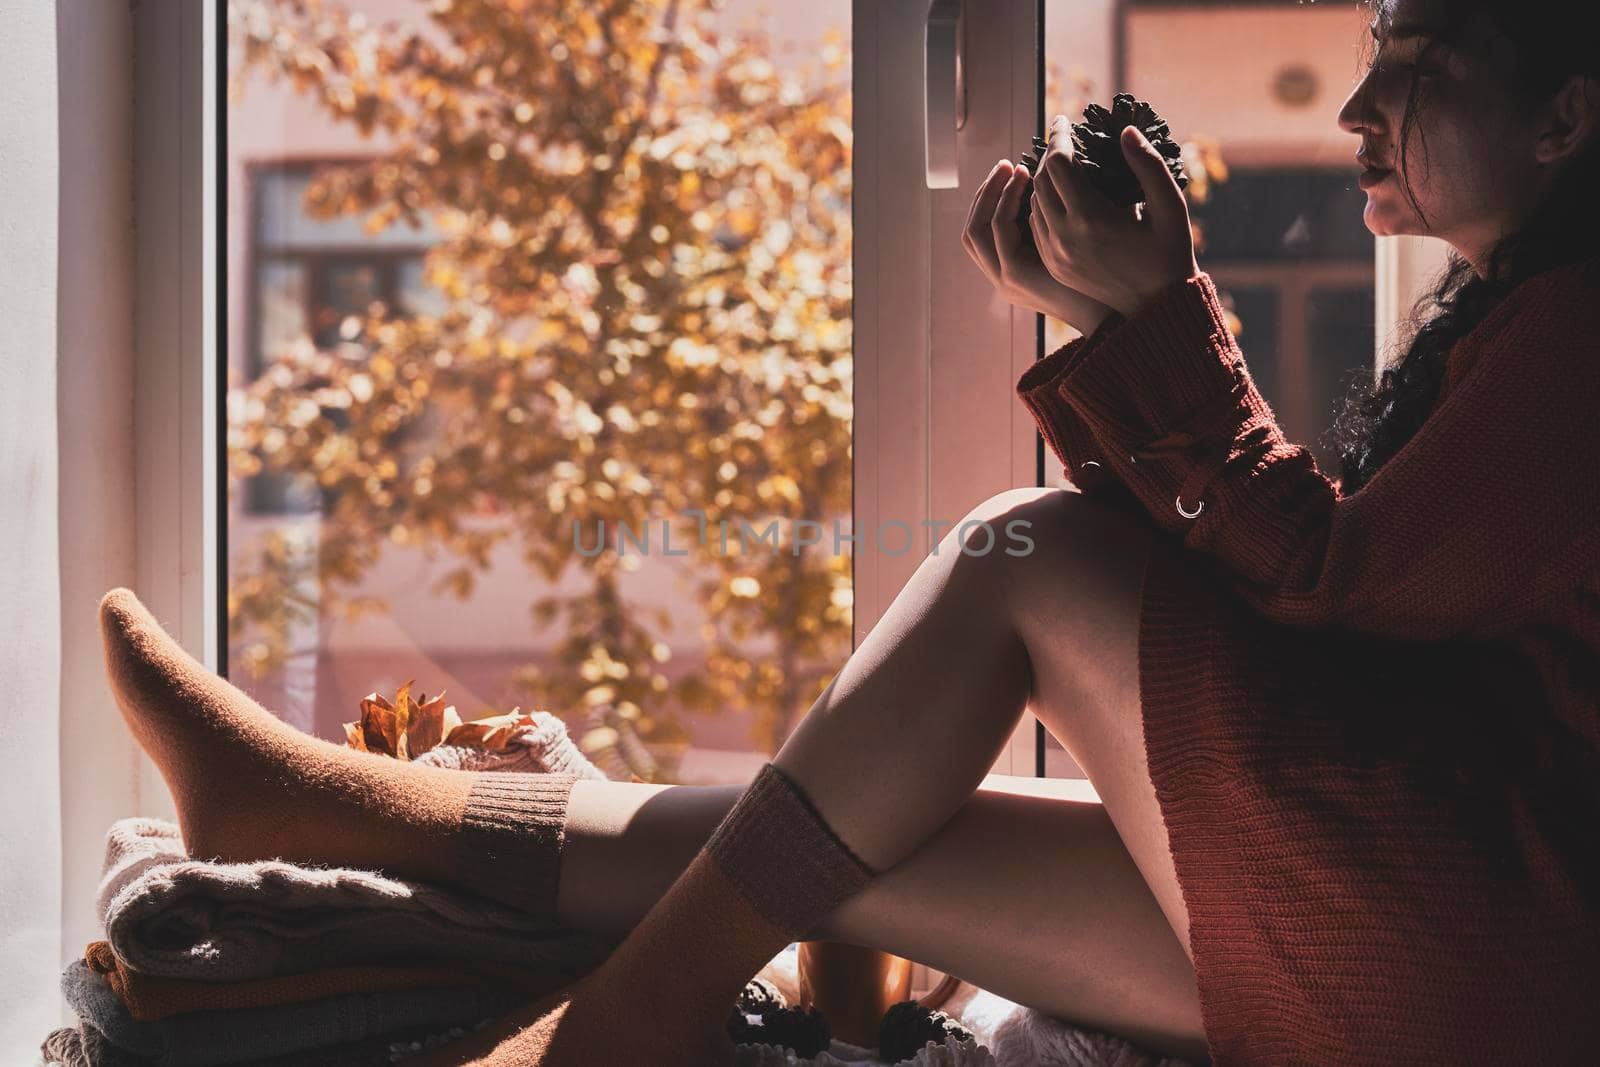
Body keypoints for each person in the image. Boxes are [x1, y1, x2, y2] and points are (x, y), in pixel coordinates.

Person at [98, 0, 1599, 1062]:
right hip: (1478, 952)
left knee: (1039, 557)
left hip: (1482, 956)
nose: (1360, 107)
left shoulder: (1575, 338)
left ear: (1567, 113)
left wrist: (1159, 322)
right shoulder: (1522, 323)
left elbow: (1324, 596)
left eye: (1424, 58)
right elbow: (1345, 604)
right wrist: (1115, 321)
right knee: (867, 844)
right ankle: (325, 811)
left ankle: (611, 1041)